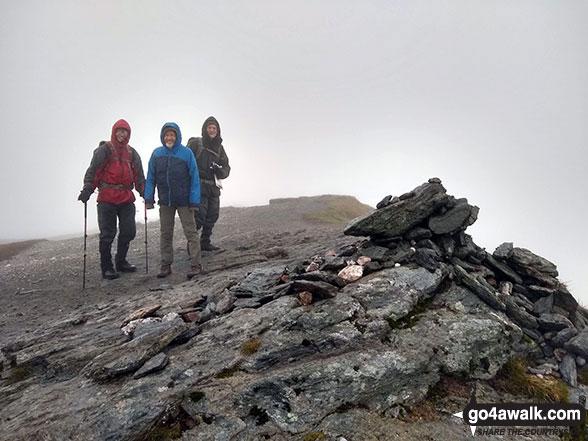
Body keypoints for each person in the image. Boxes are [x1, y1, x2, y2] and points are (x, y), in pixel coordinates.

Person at [78, 119, 145, 280]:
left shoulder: (132, 153)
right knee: (108, 234)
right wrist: (88, 189)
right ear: (114, 132)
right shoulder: (104, 150)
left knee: (129, 231)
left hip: (126, 198)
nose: (122, 134)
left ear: (129, 134)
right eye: (119, 131)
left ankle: (121, 262)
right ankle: (106, 267)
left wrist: (145, 193)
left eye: (125, 132)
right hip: (106, 198)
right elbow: (93, 171)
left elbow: (139, 176)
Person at [144, 122, 202, 279]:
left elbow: (194, 178)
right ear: (163, 137)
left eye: (172, 135)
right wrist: (148, 198)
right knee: (166, 233)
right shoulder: (156, 154)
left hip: (184, 201)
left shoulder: (186, 153)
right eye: (167, 135)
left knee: (191, 233)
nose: (169, 137)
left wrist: (194, 200)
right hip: (165, 201)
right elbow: (150, 178)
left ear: (177, 136)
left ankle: (196, 264)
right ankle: (166, 264)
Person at [187, 116, 230, 251]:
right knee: (199, 217)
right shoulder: (197, 144)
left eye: (214, 128)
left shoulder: (220, 148)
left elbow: (227, 168)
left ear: (218, 130)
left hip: (214, 187)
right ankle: (192, 245)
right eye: (209, 128)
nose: (212, 130)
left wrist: (219, 171)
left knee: (212, 216)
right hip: (199, 186)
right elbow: (186, 162)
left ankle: (205, 242)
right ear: (205, 129)